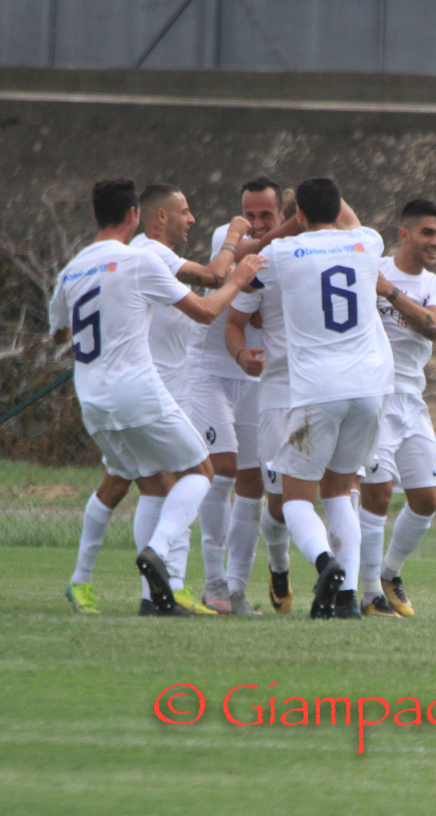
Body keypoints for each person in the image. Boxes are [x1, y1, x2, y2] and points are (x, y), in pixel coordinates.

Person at [53, 178, 264, 616]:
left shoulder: (71, 270)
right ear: (135, 215)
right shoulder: (139, 260)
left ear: (96, 215)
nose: (190, 218)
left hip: (92, 397)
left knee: (146, 484)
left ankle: (102, 586)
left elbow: (60, 331)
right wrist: (240, 277)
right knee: (200, 472)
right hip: (137, 391)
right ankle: (158, 553)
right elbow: (207, 310)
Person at [242, 177, 394, 619]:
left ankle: (326, 563)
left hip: (318, 389)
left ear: (299, 214)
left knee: (295, 500)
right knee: (341, 491)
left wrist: (287, 227)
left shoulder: (282, 252)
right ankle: (346, 599)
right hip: (370, 388)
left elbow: (244, 271)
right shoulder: (368, 242)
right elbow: (348, 221)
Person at [188, 177, 298, 615]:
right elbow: (249, 279)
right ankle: (213, 581)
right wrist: (286, 229)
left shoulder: (289, 253)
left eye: (266, 215)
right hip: (209, 372)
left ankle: (236, 589)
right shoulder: (229, 238)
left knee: (253, 483)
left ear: (281, 213)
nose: (255, 222)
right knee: (224, 467)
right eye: (248, 214)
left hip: (254, 377)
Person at [358, 199, 436, 617]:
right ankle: (368, 595)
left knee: (427, 500)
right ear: (404, 233)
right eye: (427, 232)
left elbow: (435, 326)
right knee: (377, 495)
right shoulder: (371, 268)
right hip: (373, 395)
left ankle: (389, 572)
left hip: (412, 400)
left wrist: (391, 294)